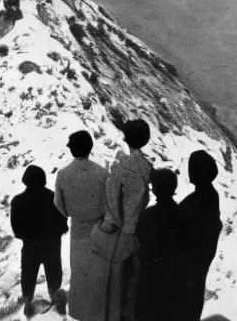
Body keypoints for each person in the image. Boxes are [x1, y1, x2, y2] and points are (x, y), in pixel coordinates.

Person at [86, 119, 153, 321]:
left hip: (119, 232)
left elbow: (113, 203)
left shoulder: (122, 167)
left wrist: (105, 227)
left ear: (125, 138)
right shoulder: (146, 166)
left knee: (114, 285)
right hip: (136, 229)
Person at [54, 130, 108, 320]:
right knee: (98, 273)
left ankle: (78, 313)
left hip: (78, 229)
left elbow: (59, 205)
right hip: (99, 229)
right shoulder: (102, 173)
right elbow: (108, 204)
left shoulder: (63, 174)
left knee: (79, 273)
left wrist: (73, 215)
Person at [135, 168, 192, 321]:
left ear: (154, 189)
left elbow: (139, 243)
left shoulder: (146, 216)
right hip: (174, 280)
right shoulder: (184, 215)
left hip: (149, 278)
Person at [11, 165, 68, 317]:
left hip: (30, 246)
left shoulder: (17, 201)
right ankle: (56, 302)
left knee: (28, 274)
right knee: (54, 272)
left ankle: (28, 304)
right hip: (52, 245)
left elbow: (17, 231)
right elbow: (63, 224)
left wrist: (30, 237)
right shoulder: (54, 198)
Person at [179, 150, 223, 321]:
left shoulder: (193, 202)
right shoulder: (212, 195)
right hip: (201, 260)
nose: (189, 171)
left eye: (192, 168)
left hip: (188, 262)